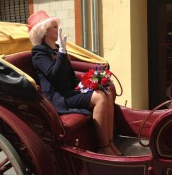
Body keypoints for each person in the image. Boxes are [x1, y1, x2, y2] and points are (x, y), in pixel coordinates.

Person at [28, 10, 121, 156]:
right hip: (57, 96)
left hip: (68, 91)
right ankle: (103, 147)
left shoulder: (58, 49)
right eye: (53, 26)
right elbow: (55, 75)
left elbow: (69, 75)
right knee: (99, 98)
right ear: (44, 31)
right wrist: (62, 54)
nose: (57, 29)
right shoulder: (38, 52)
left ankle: (110, 143)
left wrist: (84, 84)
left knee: (105, 92)